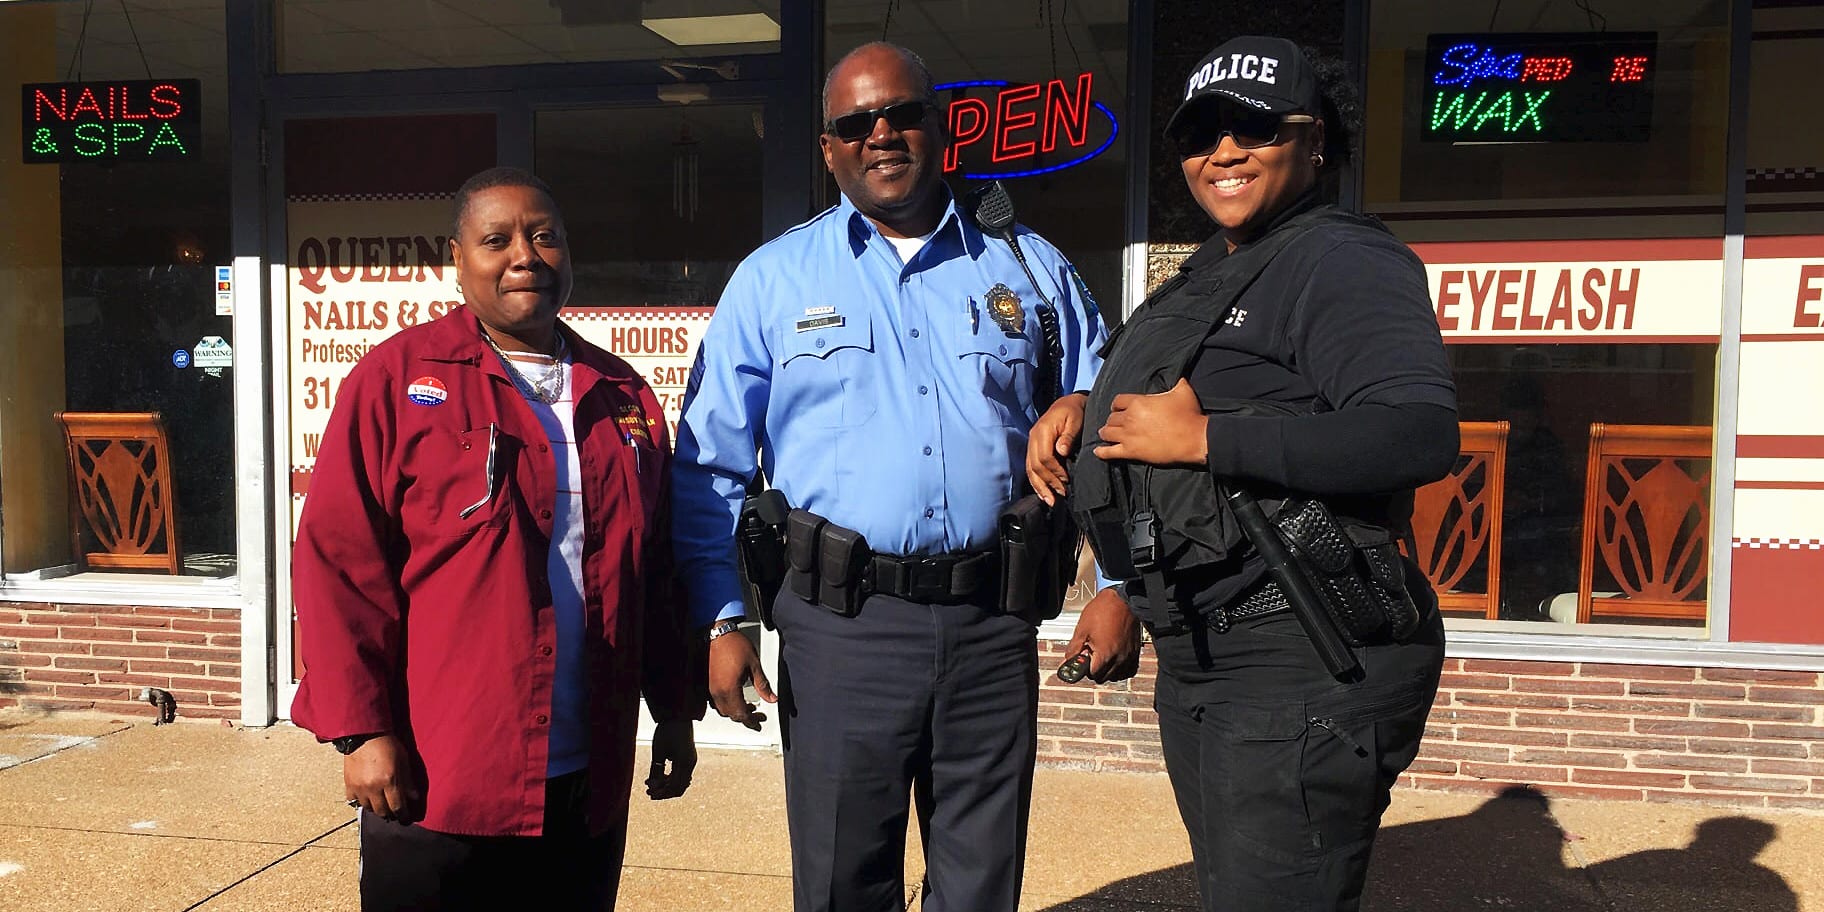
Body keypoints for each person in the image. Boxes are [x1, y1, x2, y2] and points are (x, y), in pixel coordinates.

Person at [671, 42, 1106, 912]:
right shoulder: (772, 280)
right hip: (842, 632)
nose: (881, 134)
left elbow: (1110, 409)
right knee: (841, 883)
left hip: (992, 623)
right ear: (828, 148)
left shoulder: (1027, 266)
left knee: (982, 887)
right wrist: (722, 618)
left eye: (902, 113)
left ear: (940, 128)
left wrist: (1119, 569)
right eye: (855, 123)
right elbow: (709, 466)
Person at [1047, 37, 1456, 912]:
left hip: (1300, 664)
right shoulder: (1216, 267)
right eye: (1202, 133)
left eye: (1257, 127)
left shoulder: (1342, 259)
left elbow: (1417, 435)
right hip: (1208, 658)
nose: (1224, 150)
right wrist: (1088, 408)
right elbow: (1166, 419)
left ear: (1318, 142)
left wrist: (1210, 441)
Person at [291, 166, 700, 911]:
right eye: (497, 239)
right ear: (457, 260)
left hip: (586, 783)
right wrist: (359, 733)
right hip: (444, 780)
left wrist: (673, 708)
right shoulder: (397, 381)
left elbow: (656, 573)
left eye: (545, 236)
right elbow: (339, 566)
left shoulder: (624, 396)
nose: (525, 255)